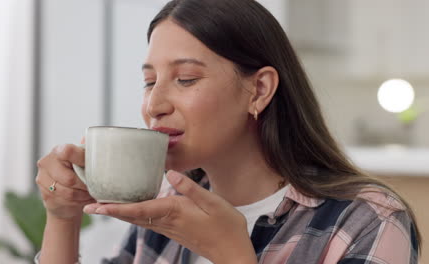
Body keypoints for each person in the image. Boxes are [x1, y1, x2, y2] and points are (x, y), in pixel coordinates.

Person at [34, 0, 421, 263]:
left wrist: (232, 255)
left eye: (185, 79)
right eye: (150, 82)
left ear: (260, 89)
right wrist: (62, 218)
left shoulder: (366, 220)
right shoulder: (166, 202)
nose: (154, 105)